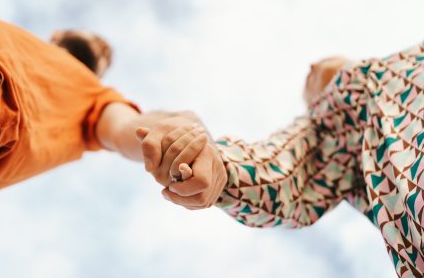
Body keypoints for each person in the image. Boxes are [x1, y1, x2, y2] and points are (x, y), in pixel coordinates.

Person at [139, 45, 423, 277]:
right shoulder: (330, 130)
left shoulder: (413, 55)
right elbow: (279, 172)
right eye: (309, 85)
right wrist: (219, 167)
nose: (312, 67)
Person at [0, 3, 212, 212]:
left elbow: (127, 128)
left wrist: (177, 129)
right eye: (97, 41)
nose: (103, 49)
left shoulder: (93, 94)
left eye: (105, 57)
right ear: (57, 34)